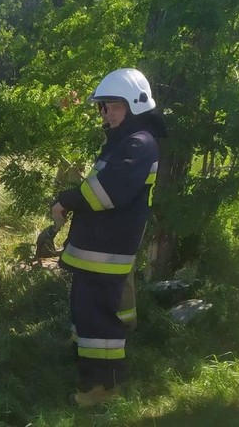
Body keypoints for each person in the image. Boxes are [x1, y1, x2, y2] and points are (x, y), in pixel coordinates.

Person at [51, 68, 164, 406]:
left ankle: (104, 387)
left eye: (113, 106)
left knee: (99, 323)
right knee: (88, 314)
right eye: (103, 107)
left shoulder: (138, 144)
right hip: (97, 248)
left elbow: (102, 193)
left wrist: (66, 200)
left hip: (106, 250)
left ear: (135, 104)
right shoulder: (123, 142)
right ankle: (86, 363)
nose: (106, 114)